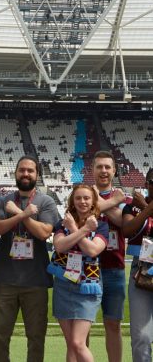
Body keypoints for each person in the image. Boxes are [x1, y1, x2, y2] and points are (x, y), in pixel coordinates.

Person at [0, 155, 60, 362]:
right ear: (15, 173)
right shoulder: (4, 200)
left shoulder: (46, 201)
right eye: (22, 170)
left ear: (37, 175)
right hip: (5, 279)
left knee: (36, 337)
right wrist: (22, 215)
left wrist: (19, 213)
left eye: (30, 170)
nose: (26, 174)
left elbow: (44, 233)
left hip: (35, 280)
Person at [50, 185, 108, 362]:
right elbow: (60, 246)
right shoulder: (62, 223)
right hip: (64, 285)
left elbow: (93, 250)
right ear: (72, 202)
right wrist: (83, 230)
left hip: (87, 287)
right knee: (71, 344)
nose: (82, 201)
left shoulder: (101, 225)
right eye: (78, 198)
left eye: (86, 198)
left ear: (93, 202)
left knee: (78, 343)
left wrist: (75, 230)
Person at [92, 150, 127, 362]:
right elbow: (82, 216)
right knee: (83, 324)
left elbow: (123, 222)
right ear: (92, 170)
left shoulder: (126, 198)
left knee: (113, 324)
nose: (103, 171)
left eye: (107, 167)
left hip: (114, 268)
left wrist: (98, 203)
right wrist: (112, 202)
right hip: (87, 268)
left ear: (114, 171)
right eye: (99, 167)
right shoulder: (84, 194)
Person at [122, 169, 153, 362]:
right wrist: (146, 210)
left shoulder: (140, 205)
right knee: (141, 335)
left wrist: (146, 207)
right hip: (141, 270)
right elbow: (127, 230)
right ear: (146, 184)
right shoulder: (132, 207)